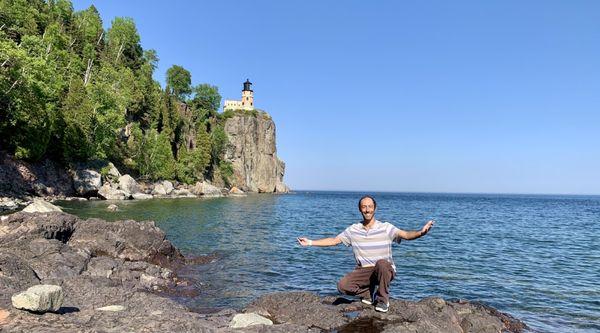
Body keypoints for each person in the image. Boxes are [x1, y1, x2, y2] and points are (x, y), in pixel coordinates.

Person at [297, 195, 434, 313]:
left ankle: (382, 300)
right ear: (360, 209)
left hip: (384, 270)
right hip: (364, 271)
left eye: (370, 206)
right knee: (342, 285)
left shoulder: (386, 227)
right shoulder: (353, 230)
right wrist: (310, 242)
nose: (367, 210)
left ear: (375, 208)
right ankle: (368, 294)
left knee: (381, 263)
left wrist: (420, 233)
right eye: (364, 207)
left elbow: (406, 234)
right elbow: (334, 240)